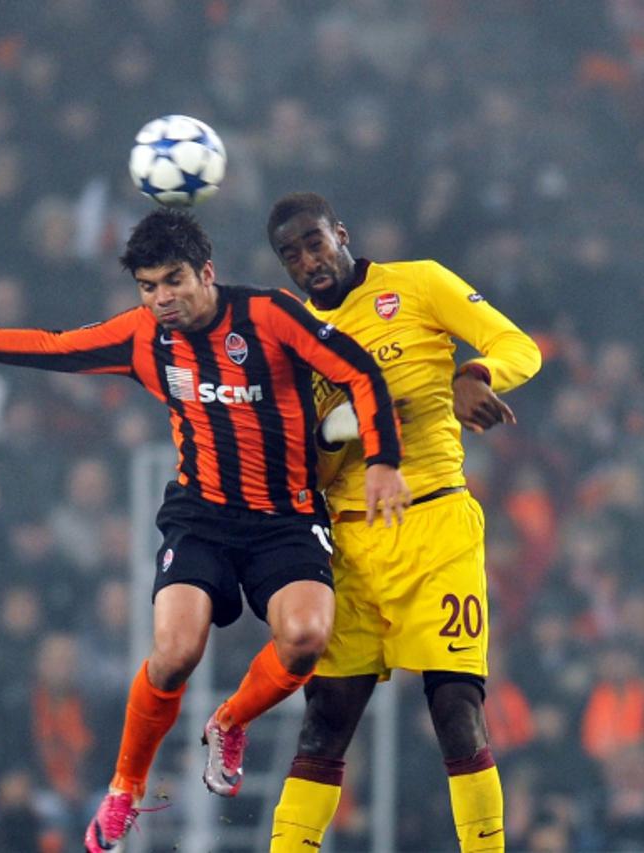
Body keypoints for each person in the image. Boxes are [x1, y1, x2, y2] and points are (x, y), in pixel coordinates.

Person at [0, 207, 411, 852]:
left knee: (307, 640)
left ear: (206, 272)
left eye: (174, 281)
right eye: (148, 286)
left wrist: (383, 462)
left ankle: (229, 721)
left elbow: (358, 370)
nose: (162, 298)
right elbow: (48, 347)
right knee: (173, 655)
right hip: (202, 515)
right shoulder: (142, 336)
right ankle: (125, 788)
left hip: (286, 517)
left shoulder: (268, 316)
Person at [263, 193, 541, 852]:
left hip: (435, 522)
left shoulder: (418, 283)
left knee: (455, 708)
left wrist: (475, 372)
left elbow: (518, 346)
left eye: (314, 242)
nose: (308, 261)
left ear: (340, 234)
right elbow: (305, 469)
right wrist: (337, 429)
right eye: (291, 254)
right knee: (325, 721)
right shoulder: (292, 340)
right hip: (348, 543)